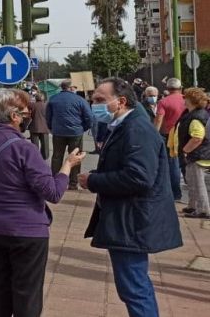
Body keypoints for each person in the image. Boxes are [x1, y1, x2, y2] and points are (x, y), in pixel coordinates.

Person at [0, 89, 86, 317]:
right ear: (14, 117)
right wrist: (68, 166)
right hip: (26, 230)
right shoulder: (25, 148)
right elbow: (53, 192)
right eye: (26, 112)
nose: (28, 115)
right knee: (26, 291)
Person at [81, 78, 182, 317]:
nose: (93, 105)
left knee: (134, 288)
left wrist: (93, 181)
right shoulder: (125, 125)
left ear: (121, 101)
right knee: (133, 286)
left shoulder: (136, 128)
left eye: (99, 100)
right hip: (128, 219)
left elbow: (138, 177)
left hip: (132, 221)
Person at [45, 80, 93, 189]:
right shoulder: (80, 100)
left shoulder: (53, 99)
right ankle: (73, 183)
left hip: (58, 132)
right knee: (75, 157)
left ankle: (55, 181)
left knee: (57, 156)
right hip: (76, 132)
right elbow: (89, 117)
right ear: (72, 88)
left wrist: (51, 128)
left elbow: (48, 116)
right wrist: (83, 128)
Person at [177, 88, 210, 218]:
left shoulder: (196, 117)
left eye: (185, 97)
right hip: (200, 154)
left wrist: (185, 150)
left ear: (191, 101)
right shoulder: (197, 114)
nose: (183, 99)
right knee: (192, 181)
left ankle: (203, 210)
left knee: (198, 184)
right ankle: (193, 206)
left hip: (198, 155)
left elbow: (197, 137)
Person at [155, 78, 185, 201]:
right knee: (184, 164)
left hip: (169, 136)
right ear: (180, 88)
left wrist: (154, 133)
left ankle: (175, 193)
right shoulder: (186, 100)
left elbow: (158, 119)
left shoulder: (163, 102)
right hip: (186, 135)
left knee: (173, 164)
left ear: (167, 89)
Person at [28, 91, 50, 160]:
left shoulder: (32, 105)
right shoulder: (47, 105)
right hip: (45, 127)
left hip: (34, 127)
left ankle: (35, 158)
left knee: (34, 145)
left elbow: (28, 116)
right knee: (45, 145)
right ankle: (45, 158)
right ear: (43, 98)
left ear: (36, 98)